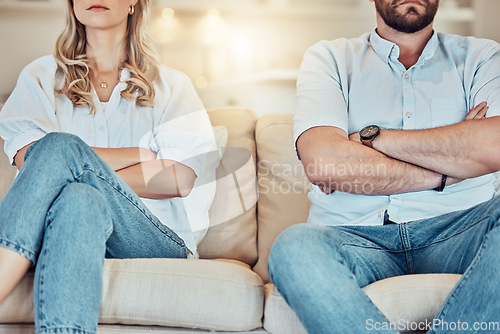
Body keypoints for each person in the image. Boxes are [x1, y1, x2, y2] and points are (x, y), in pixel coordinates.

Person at [268, 0, 500, 333]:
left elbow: (494, 146)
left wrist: (374, 139)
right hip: (358, 237)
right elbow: (324, 162)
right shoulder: (330, 58)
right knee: (294, 246)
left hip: (459, 230)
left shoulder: (482, 56)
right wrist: (451, 167)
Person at [0, 0, 217, 333]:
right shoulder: (40, 76)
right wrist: (142, 153)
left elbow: (178, 177)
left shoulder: (172, 86)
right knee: (79, 199)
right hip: (65, 224)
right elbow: (31, 158)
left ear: (134, 2)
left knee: (60, 150)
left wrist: (74, 162)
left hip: (152, 237)